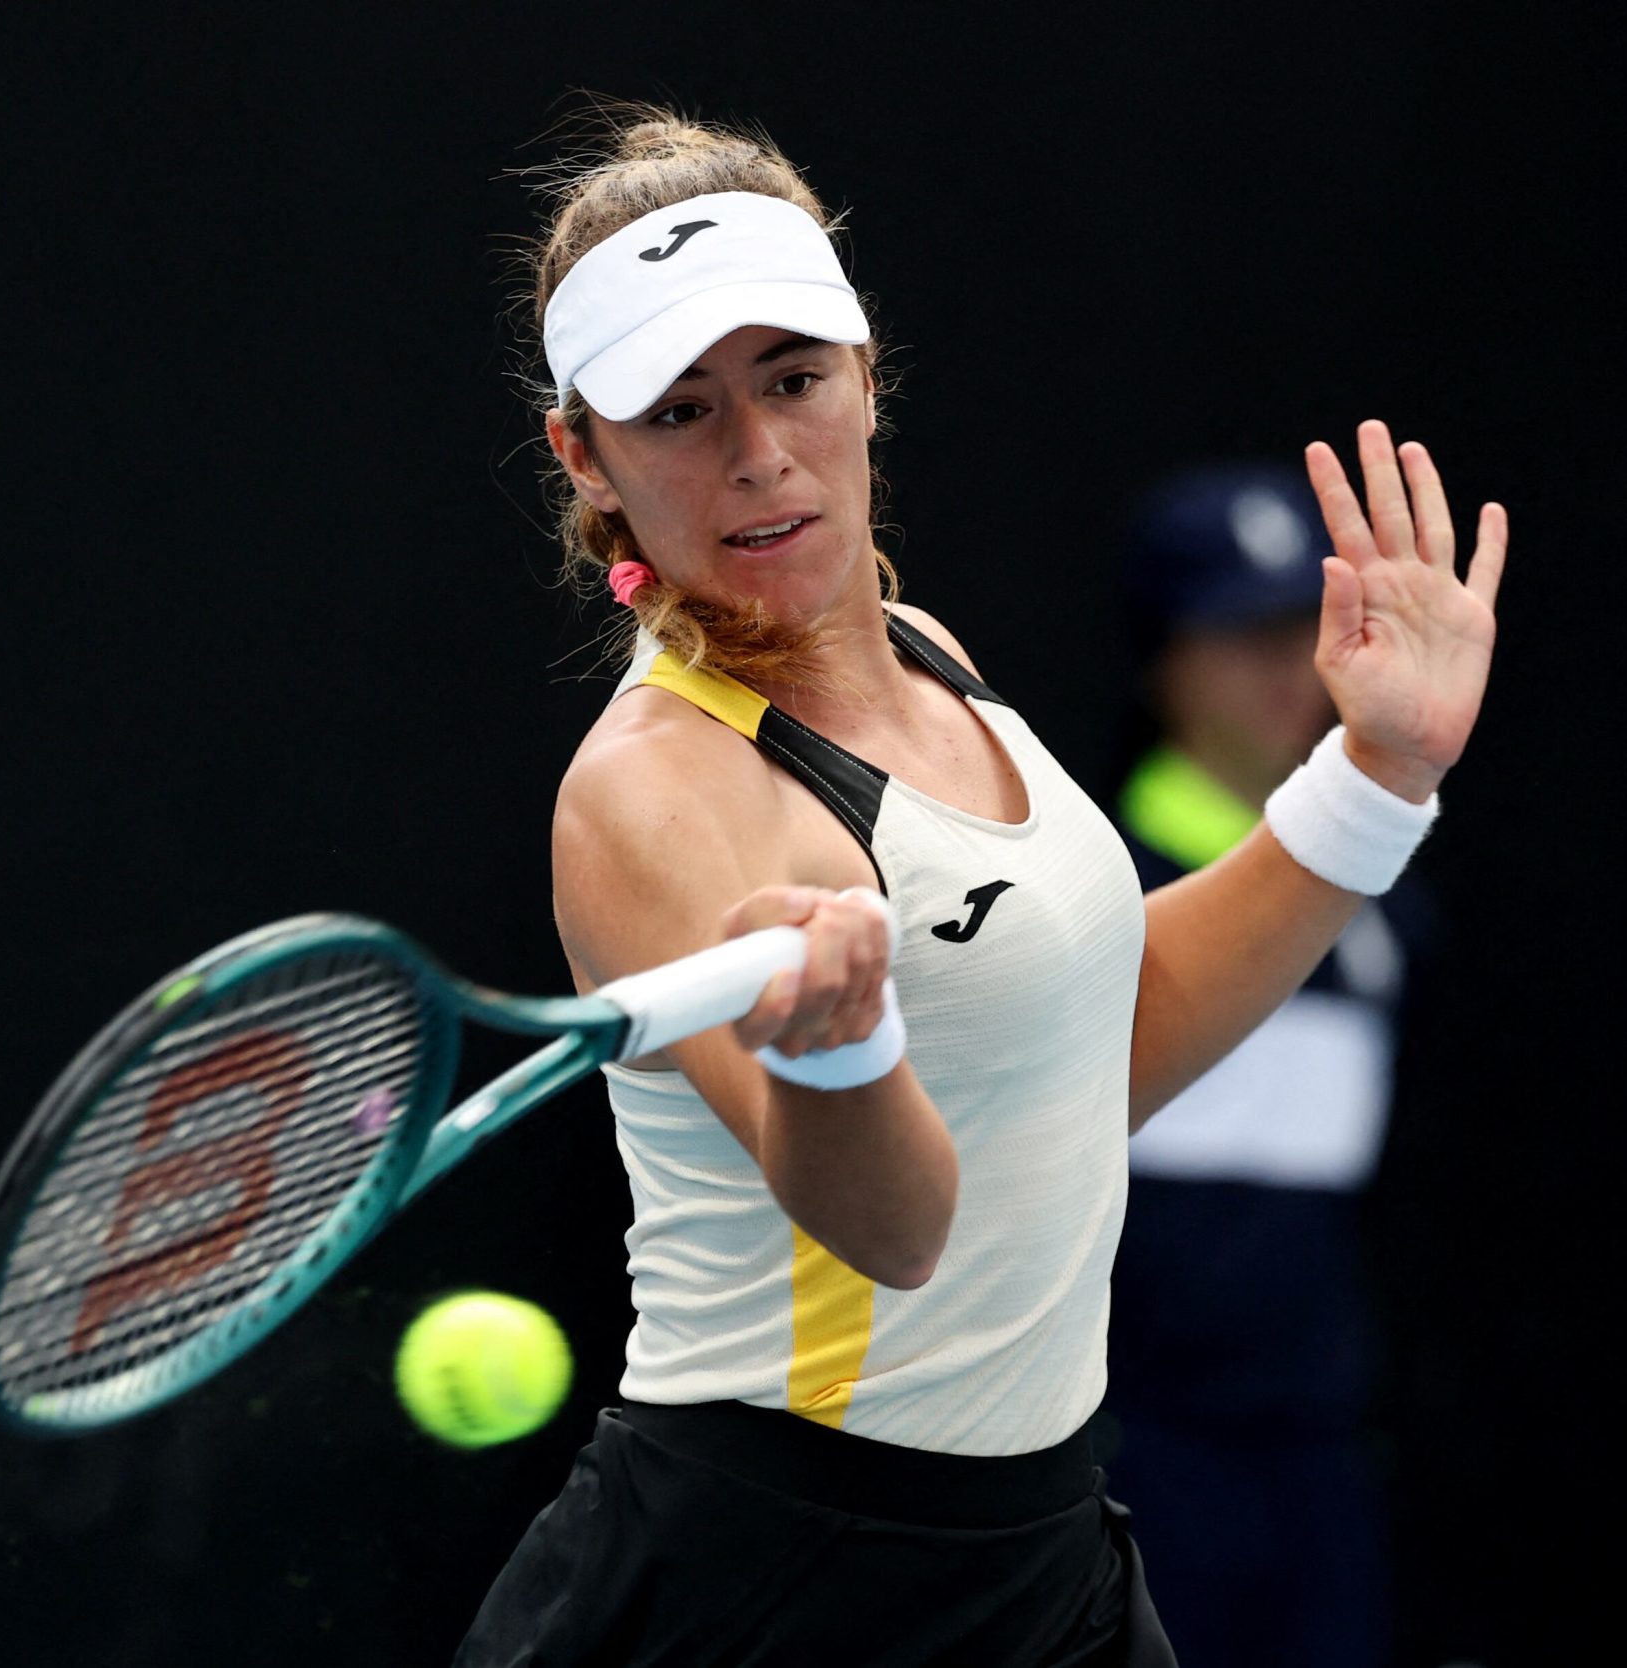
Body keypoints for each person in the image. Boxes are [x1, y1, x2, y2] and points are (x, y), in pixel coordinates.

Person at [456, 109, 1507, 1668]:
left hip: (1044, 1551)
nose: (756, 454)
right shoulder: (651, 795)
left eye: (792, 378)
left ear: (867, 375)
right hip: (776, 1585)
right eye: (678, 411)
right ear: (586, 460)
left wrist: (1376, 778)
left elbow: (1097, 1052)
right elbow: (890, 1234)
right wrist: (840, 1057)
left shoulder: (930, 655)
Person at [1099, 463, 1432, 1666]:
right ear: (1166, 659)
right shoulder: (1082, 892)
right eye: (1245, 636)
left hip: (1317, 1463)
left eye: (1308, 632)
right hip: (1129, 1463)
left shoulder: (1388, 908)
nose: (1289, 670)